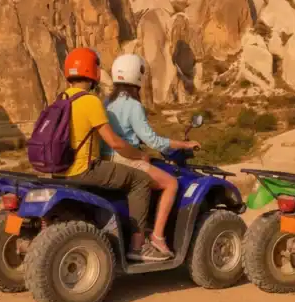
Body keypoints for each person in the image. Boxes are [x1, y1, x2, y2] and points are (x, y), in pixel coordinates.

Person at [60, 47, 171, 262]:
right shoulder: (91, 101)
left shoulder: (63, 98)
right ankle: (138, 246)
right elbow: (113, 142)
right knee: (140, 180)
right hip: (85, 168)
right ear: (92, 72)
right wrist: (139, 156)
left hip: (62, 167)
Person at [101, 54, 201, 258]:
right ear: (136, 76)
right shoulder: (133, 105)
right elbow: (152, 141)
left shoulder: (106, 102)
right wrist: (183, 144)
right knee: (171, 183)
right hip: (126, 159)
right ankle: (157, 237)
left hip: (106, 159)